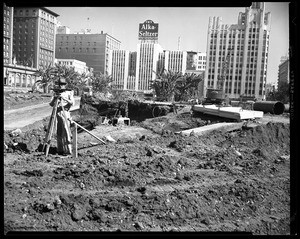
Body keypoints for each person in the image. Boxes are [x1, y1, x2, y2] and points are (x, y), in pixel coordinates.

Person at [49, 78, 75, 156]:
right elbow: (51, 104)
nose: (61, 86)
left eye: (62, 85)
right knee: (59, 132)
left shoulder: (69, 92)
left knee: (66, 131)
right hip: (57, 113)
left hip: (65, 112)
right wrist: (55, 98)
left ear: (65, 85)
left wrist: (64, 98)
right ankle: (60, 149)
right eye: (59, 85)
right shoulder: (56, 93)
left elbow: (72, 103)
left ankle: (68, 150)